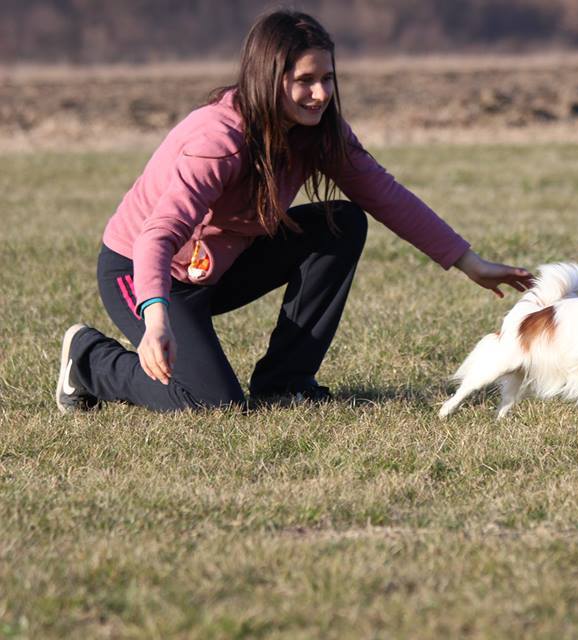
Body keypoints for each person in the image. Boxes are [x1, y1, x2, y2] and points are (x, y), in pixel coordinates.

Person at [55, 10, 533, 413]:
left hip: (220, 267)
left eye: (327, 79)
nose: (321, 94)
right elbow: (157, 236)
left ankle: (285, 382)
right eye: (305, 81)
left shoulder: (320, 132)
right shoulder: (217, 141)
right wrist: (155, 319)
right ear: (268, 78)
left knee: (342, 223)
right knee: (211, 403)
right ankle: (89, 359)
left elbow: (387, 196)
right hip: (143, 273)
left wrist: (469, 262)